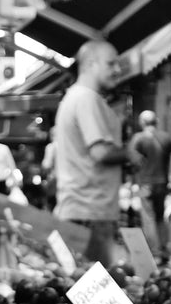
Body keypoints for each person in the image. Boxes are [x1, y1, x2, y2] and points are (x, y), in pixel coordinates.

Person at [53, 39, 131, 267]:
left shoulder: (75, 97)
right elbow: (100, 153)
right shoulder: (87, 99)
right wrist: (131, 153)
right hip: (90, 211)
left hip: (83, 209)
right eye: (111, 64)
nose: (117, 70)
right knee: (95, 291)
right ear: (90, 64)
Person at [129, 109, 171, 261]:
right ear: (156, 121)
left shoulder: (138, 138)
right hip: (162, 184)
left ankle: (155, 252)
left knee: (147, 217)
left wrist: (133, 181)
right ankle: (165, 250)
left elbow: (132, 160)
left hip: (145, 185)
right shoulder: (166, 138)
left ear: (142, 122)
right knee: (160, 217)